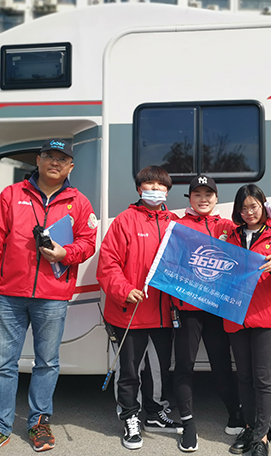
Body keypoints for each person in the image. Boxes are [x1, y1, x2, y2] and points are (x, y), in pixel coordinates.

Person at [0, 138, 97, 455]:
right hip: (9, 294)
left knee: (47, 363)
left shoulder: (79, 202)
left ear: (70, 166)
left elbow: (88, 243)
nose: (55, 162)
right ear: (38, 160)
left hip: (53, 297)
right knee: (3, 365)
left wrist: (65, 253)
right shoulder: (12, 195)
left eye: (62, 158)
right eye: (49, 156)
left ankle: (39, 422)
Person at [96, 165, 182, 450]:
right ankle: (130, 416)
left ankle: (155, 413)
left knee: (159, 370)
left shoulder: (174, 223)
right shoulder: (124, 221)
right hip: (129, 313)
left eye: (160, 187)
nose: (155, 191)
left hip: (163, 314)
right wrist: (124, 290)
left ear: (167, 191)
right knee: (129, 371)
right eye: (150, 186)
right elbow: (107, 265)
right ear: (139, 189)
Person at [224, 185, 271, 456]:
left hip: (267, 316)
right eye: (244, 208)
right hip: (237, 316)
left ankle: (261, 437)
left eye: (254, 206)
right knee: (244, 376)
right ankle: (250, 427)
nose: (249, 212)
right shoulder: (230, 237)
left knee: (263, 377)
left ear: (263, 206)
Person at [173, 174, 244, 452]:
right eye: (197, 194)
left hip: (217, 309)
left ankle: (235, 414)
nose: (203, 199)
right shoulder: (178, 226)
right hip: (188, 310)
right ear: (190, 198)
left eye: (208, 194)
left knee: (222, 364)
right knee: (184, 366)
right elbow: (171, 265)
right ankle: (188, 424)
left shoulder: (228, 226)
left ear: (216, 198)